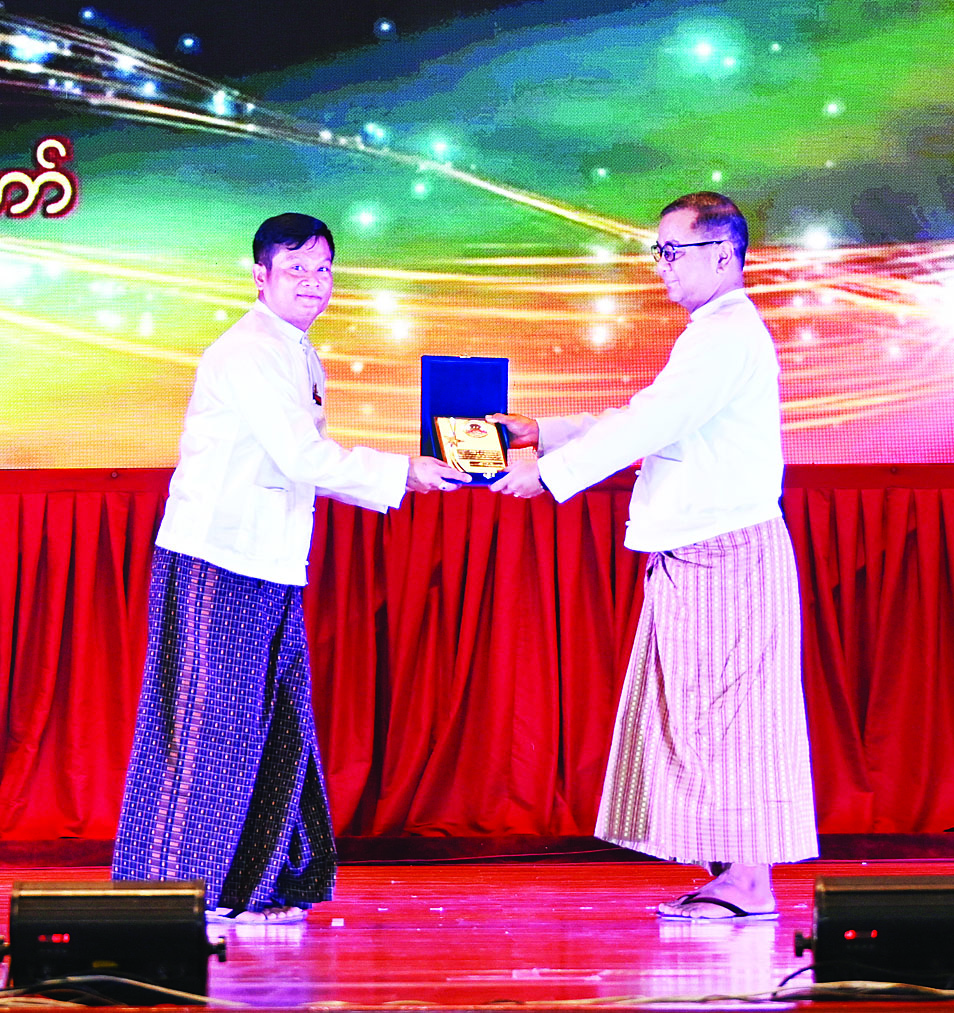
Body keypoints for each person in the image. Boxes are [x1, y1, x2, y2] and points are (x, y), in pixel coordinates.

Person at [111, 213, 467, 924]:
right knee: (209, 727)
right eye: (297, 268)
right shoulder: (250, 351)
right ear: (260, 277)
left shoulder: (295, 350)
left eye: (324, 269)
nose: (313, 282)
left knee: (275, 720)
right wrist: (406, 471)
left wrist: (412, 471)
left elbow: (301, 460)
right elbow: (301, 458)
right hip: (217, 557)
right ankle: (177, 894)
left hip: (267, 560)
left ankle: (260, 882)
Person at [490, 192, 817, 919]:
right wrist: (547, 431)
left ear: (724, 256)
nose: (662, 266)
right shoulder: (710, 335)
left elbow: (652, 421)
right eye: (659, 251)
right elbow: (652, 415)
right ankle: (733, 876)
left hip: (726, 550)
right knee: (700, 715)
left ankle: (749, 883)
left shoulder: (725, 335)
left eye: (675, 251)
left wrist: (547, 472)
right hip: (701, 551)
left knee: (732, 718)